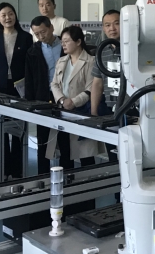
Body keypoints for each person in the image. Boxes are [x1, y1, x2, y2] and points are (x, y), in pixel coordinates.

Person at [0, 2, 33, 180]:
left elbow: (30, 65)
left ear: (15, 16)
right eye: (3, 15)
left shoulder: (26, 37)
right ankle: (4, 169)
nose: (7, 17)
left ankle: (17, 170)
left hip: (19, 89)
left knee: (19, 129)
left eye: (10, 13)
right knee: (1, 129)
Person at [47, 26, 106, 168]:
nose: (63, 44)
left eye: (67, 41)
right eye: (62, 42)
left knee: (85, 154)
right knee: (65, 153)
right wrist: (62, 100)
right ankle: (66, 180)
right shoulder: (61, 61)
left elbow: (90, 89)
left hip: (82, 112)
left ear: (78, 41)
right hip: (63, 111)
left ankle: (88, 181)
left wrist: (73, 102)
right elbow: (54, 84)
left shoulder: (91, 61)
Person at [24, 16, 62, 175]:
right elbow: (29, 79)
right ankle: (43, 175)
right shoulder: (33, 51)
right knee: (43, 139)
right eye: (37, 34)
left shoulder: (65, 45)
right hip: (43, 97)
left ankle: (67, 173)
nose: (41, 36)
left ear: (51, 28)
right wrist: (30, 103)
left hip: (64, 96)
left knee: (65, 137)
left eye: (43, 32)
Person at [90, 10, 122, 118]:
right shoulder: (102, 51)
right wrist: (93, 112)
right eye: (107, 25)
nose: (112, 28)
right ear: (103, 28)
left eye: (117, 23)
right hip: (110, 108)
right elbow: (97, 83)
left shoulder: (136, 49)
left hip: (133, 107)